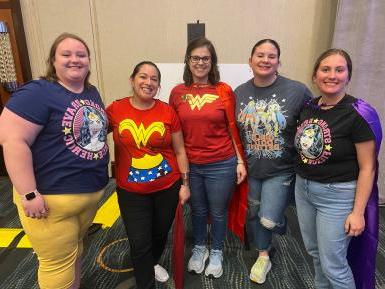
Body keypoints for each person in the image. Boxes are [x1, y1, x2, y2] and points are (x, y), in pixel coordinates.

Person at [0, 33, 109, 289]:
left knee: (74, 252)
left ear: (89, 61)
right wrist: (28, 193)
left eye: (81, 55)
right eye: (66, 54)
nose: (75, 60)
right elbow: (13, 141)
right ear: (52, 60)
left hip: (88, 195)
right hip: (49, 200)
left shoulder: (90, 92)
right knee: (56, 264)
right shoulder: (37, 92)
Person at [294, 48, 382, 289]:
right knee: (315, 254)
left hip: (337, 196)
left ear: (348, 76)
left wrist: (357, 212)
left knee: (333, 263)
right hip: (304, 190)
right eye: (325, 69)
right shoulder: (309, 107)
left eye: (339, 70)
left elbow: (368, 168)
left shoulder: (358, 114)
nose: (332, 75)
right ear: (315, 76)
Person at [106, 61, 190, 289]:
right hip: (131, 191)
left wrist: (184, 183)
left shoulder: (167, 112)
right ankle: (146, 283)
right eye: (143, 77)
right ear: (132, 80)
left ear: (159, 85)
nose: (148, 82)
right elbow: (92, 136)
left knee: (160, 234)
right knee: (139, 241)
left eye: (154, 79)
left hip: (167, 187)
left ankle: (152, 263)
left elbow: (180, 150)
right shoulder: (115, 109)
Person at [235, 39, 312, 284]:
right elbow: (233, 131)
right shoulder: (239, 92)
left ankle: (270, 239)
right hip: (252, 168)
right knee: (254, 213)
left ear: (278, 61)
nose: (265, 60)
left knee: (267, 218)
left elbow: (316, 120)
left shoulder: (297, 90)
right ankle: (263, 254)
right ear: (250, 60)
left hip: (281, 169)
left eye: (271, 56)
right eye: (260, 55)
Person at [169, 37, 247, 278]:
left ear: (212, 62)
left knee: (218, 210)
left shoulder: (223, 91)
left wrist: (240, 161)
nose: (200, 62)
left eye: (205, 58)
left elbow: (233, 127)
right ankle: (200, 246)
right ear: (188, 61)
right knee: (198, 210)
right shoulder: (177, 92)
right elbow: (173, 130)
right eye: (195, 58)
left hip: (221, 163)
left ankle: (216, 251)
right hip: (190, 164)